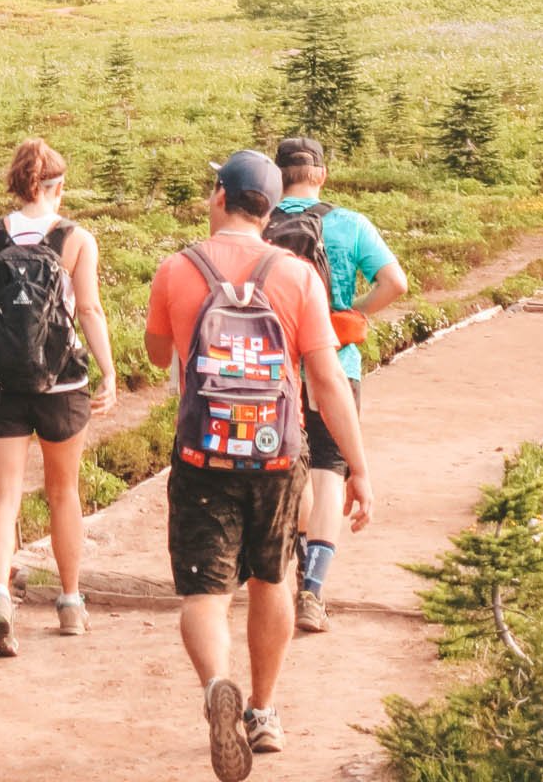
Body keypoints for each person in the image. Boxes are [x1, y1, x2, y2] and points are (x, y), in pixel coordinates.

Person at [146, 150, 373, 779]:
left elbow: (157, 351)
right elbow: (326, 381)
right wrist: (358, 468)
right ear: (270, 210)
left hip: (202, 452)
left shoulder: (176, 268)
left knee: (203, 591)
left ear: (220, 195)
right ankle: (264, 711)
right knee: (272, 581)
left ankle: (218, 683)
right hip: (278, 455)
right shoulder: (298, 276)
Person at [0, 136, 117, 659]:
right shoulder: (76, 240)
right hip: (62, 385)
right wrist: (109, 371)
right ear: (56, 187)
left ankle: (0, 598)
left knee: (2, 499)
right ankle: (70, 604)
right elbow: (89, 312)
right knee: (62, 494)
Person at [271, 134, 407, 634]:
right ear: (321, 175)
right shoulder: (350, 223)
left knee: (292, 470)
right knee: (329, 474)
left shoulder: (260, 224)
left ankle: (285, 575)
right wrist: (354, 313)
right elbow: (397, 281)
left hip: (274, 371)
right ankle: (311, 591)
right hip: (336, 366)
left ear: (276, 174)